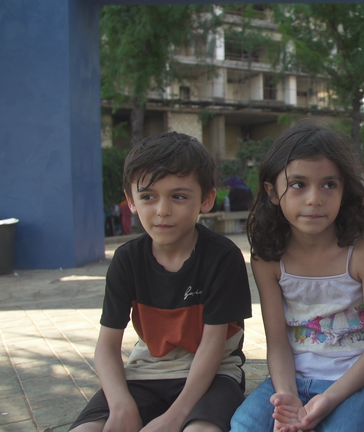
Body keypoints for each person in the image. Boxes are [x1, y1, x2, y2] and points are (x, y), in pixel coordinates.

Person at [69, 132, 252, 432]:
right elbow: (106, 347)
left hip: (214, 375)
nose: (162, 210)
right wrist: (120, 404)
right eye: (148, 196)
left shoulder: (222, 257)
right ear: (130, 201)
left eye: (178, 196)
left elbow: (212, 346)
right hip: (145, 374)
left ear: (206, 199)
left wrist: (175, 417)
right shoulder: (127, 260)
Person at [230, 123, 364, 432]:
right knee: (243, 425)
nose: (315, 199)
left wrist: (327, 400)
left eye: (329, 184)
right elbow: (277, 343)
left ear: (345, 190)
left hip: (358, 381)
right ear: (272, 192)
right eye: (299, 184)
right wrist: (287, 396)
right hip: (293, 378)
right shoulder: (268, 257)